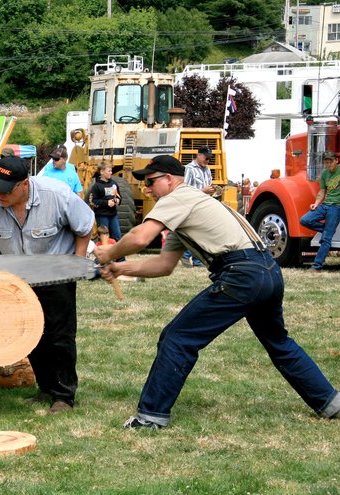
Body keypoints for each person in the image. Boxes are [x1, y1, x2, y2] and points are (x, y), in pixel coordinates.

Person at [94, 155, 340, 430]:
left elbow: (140, 237)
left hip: (242, 275)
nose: (146, 189)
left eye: (151, 182)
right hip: (267, 272)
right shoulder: (190, 208)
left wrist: (108, 252)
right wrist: (119, 268)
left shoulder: (179, 197)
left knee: (178, 338)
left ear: (171, 180)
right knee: (279, 343)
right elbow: (164, 265)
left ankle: (150, 417)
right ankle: (331, 403)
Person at [0, 156, 94, 414]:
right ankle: (45, 388)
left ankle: (63, 396)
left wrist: (78, 262)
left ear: (24, 184)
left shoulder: (56, 194)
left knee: (59, 336)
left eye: (6, 188)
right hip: (17, 277)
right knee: (29, 333)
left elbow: (85, 226)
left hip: (56, 273)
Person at [299, 151, 340, 271]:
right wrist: (316, 204)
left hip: (336, 207)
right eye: (326, 163)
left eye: (330, 162)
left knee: (326, 239)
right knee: (304, 220)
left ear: (336, 161)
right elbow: (322, 191)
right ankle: (327, 230)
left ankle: (317, 266)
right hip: (325, 204)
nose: (328, 165)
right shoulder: (325, 174)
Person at [181, 146, 215, 267]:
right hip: (193, 204)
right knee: (197, 233)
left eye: (209, 159)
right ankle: (187, 256)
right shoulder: (190, 169)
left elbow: (208, 185)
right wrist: (203, 190)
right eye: (206, 158)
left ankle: (194, 258)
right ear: (199, 155)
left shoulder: (207, 170)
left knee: (202, 233)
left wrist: (212, 190)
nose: (207, 161)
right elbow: (185, 189)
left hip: (204, 204)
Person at [90, 162, 122, 243]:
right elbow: (92, 201)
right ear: (102, 172)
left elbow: (118, 195)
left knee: (117, 236)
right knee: (104, 238)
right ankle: (102, 255)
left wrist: (118, 200)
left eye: (111, 171)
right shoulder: (96, 186)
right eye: (109, 171)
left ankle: (119, 256)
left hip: (113, 215)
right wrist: (106, 203)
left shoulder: (114, 184)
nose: (111, 173)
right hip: (102, 216)